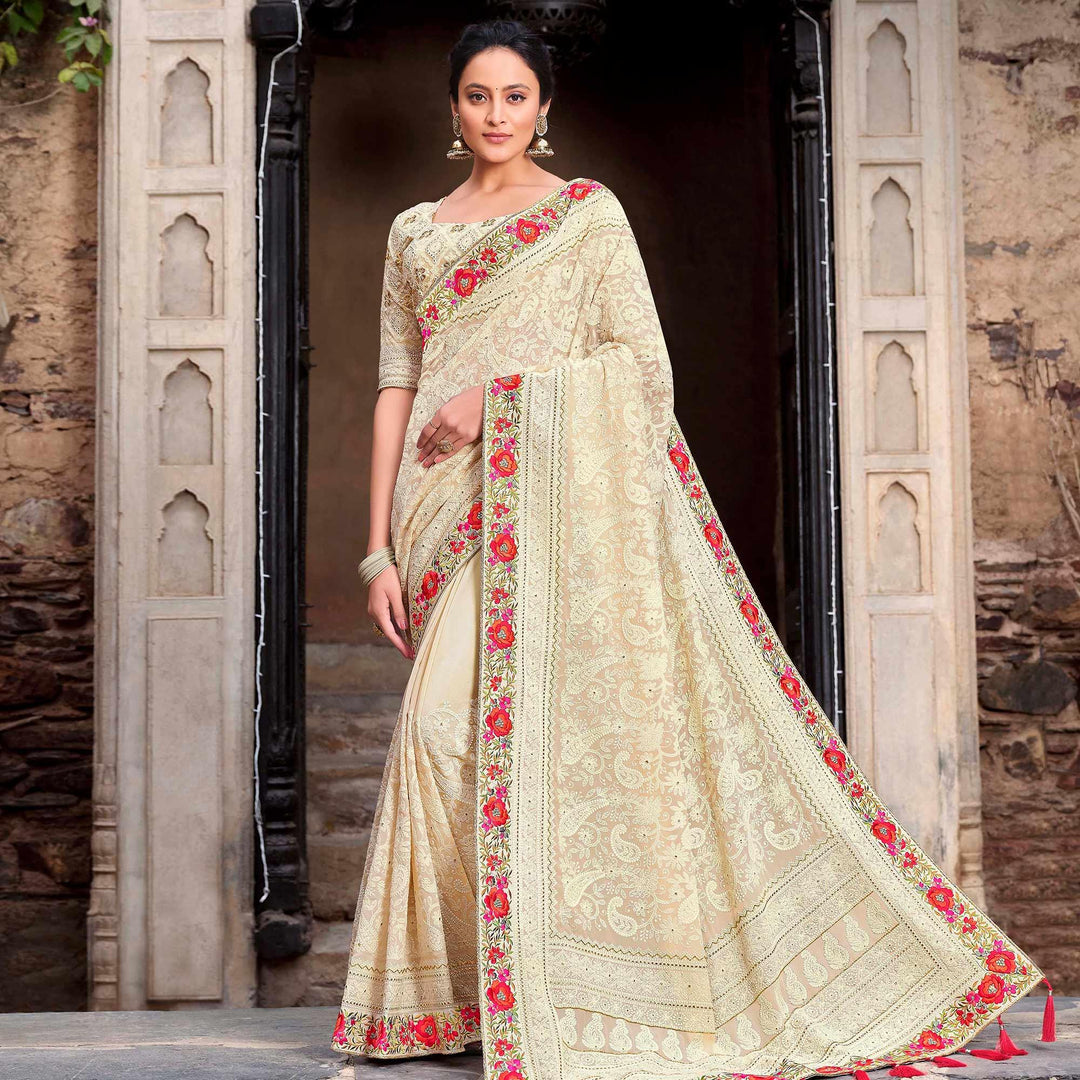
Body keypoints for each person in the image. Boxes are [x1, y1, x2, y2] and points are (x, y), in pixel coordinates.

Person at [331, 17, 1053, 1080]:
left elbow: (643, 370)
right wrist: (376, 549)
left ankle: (556, 993)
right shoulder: (415, 232)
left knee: (479, 739)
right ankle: (463, 1003)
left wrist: (500, 399)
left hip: (546, 504)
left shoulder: (584, 217)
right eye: (478, 96)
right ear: (453, 107)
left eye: (515, 96)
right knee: (452, 740)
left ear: (544, 107)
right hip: (439, 514)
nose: (495, 114)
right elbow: (397, 382)